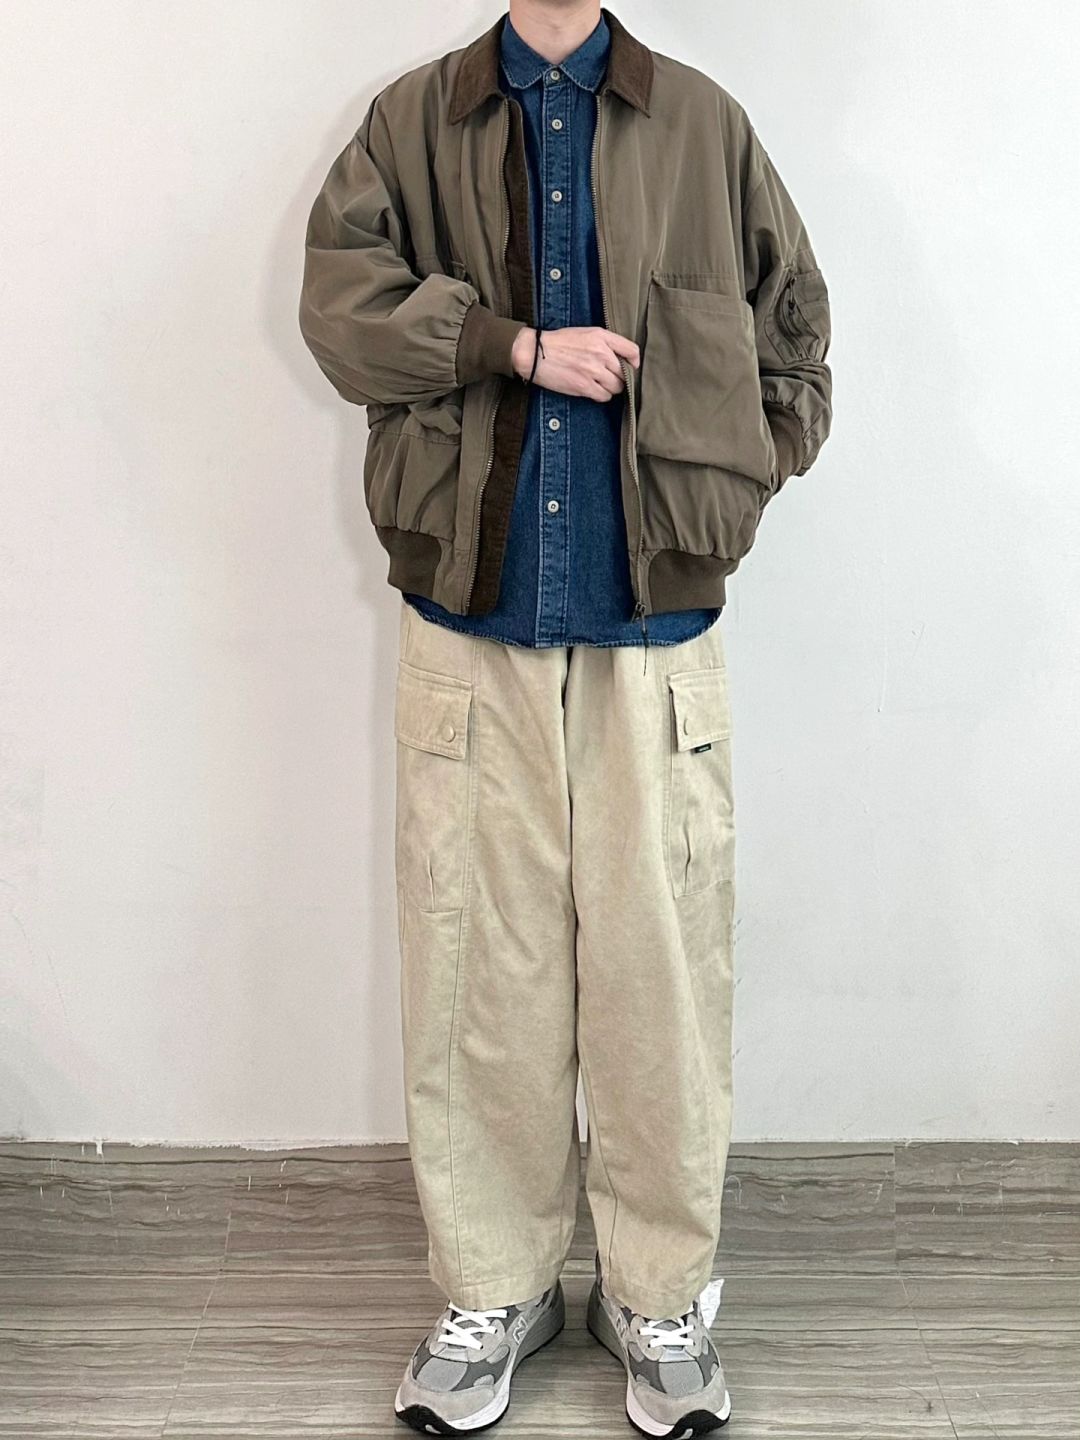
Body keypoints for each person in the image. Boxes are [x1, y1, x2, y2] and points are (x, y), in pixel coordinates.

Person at [299, 3, 832, 1433]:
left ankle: (661, 1297)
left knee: (662, 974)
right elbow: (340, 313)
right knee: (477, 968)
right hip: (469, 611)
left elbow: (796, 342)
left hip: (655, 625)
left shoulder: (702, 121)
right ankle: (496, 1285)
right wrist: (507, 346)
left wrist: (726, 486)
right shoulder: (413, 118)